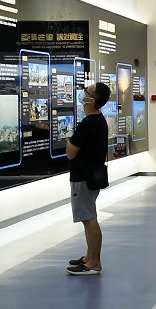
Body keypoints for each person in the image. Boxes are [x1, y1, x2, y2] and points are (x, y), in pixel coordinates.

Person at [64, 80, 110, 276]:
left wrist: (69, 143)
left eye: (87, 93)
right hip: (91, 176)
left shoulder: (88, 124)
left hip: (83, 178)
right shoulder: (99, 121)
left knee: (89, 218)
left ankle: (94, 263)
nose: (83, 96)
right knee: (88, 217)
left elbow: (70, 152)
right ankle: (89, 257)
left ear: (93, 100)